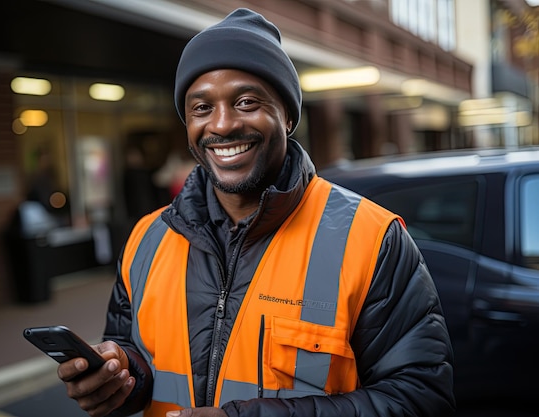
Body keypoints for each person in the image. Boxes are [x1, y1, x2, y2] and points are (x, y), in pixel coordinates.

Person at [57, 8, 455, 417]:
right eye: (201, 107)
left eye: (246, 102)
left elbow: (419, 399)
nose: (223, 124)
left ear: (286, 115)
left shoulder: (372, 239)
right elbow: (137, 355)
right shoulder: (147, 239)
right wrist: (121, 378)